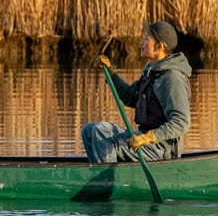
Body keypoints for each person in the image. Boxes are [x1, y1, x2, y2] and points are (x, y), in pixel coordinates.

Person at [81, 21, 191, 168]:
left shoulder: (172, 78)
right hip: (144, 141)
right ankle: (98, 174)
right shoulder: (152, 71)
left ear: (159, 46)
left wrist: (149, 137)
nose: (142, 42)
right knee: (89, 130)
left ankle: (108, 182)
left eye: (147, 38)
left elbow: (181, 122)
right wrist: (111, 74)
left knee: (101, 130)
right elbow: (130, 97)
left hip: (161, 150)